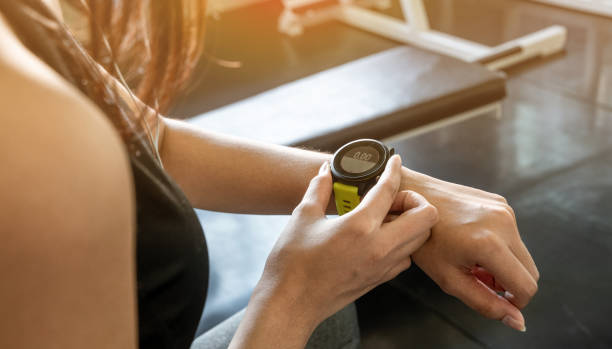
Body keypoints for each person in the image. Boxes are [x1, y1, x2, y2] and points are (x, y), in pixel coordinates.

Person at [0, 1, 539, 348]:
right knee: (319, 319)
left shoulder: (25, 18)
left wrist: (417, 190)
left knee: (331, 323)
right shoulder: (33, 133)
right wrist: (293, 298)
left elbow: (151, 139)